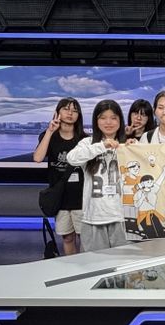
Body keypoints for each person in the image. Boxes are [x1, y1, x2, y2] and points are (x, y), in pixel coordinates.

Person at [67, 99, 134, 252]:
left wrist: (134, 150)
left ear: (120, 121)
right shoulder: (88, 143)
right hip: (93, 218)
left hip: (123, 218)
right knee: (94, 263)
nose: (108, 122)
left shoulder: (127, 145)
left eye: (113, 118)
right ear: (96, 121)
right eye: (103, 118)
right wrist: (102, 145)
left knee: (126, 264)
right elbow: (72, 158)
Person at [33, 97, 86, 256]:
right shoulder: (48, 135)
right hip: (60, 197)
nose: (70, 113)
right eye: (66, 109)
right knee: (67, 238)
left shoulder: (84, 139)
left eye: (75, 110)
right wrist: (50, 131)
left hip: (81, 197)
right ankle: (72, 267)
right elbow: (38, 158)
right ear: (57, 112)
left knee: (85, 238)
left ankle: (86, 267)